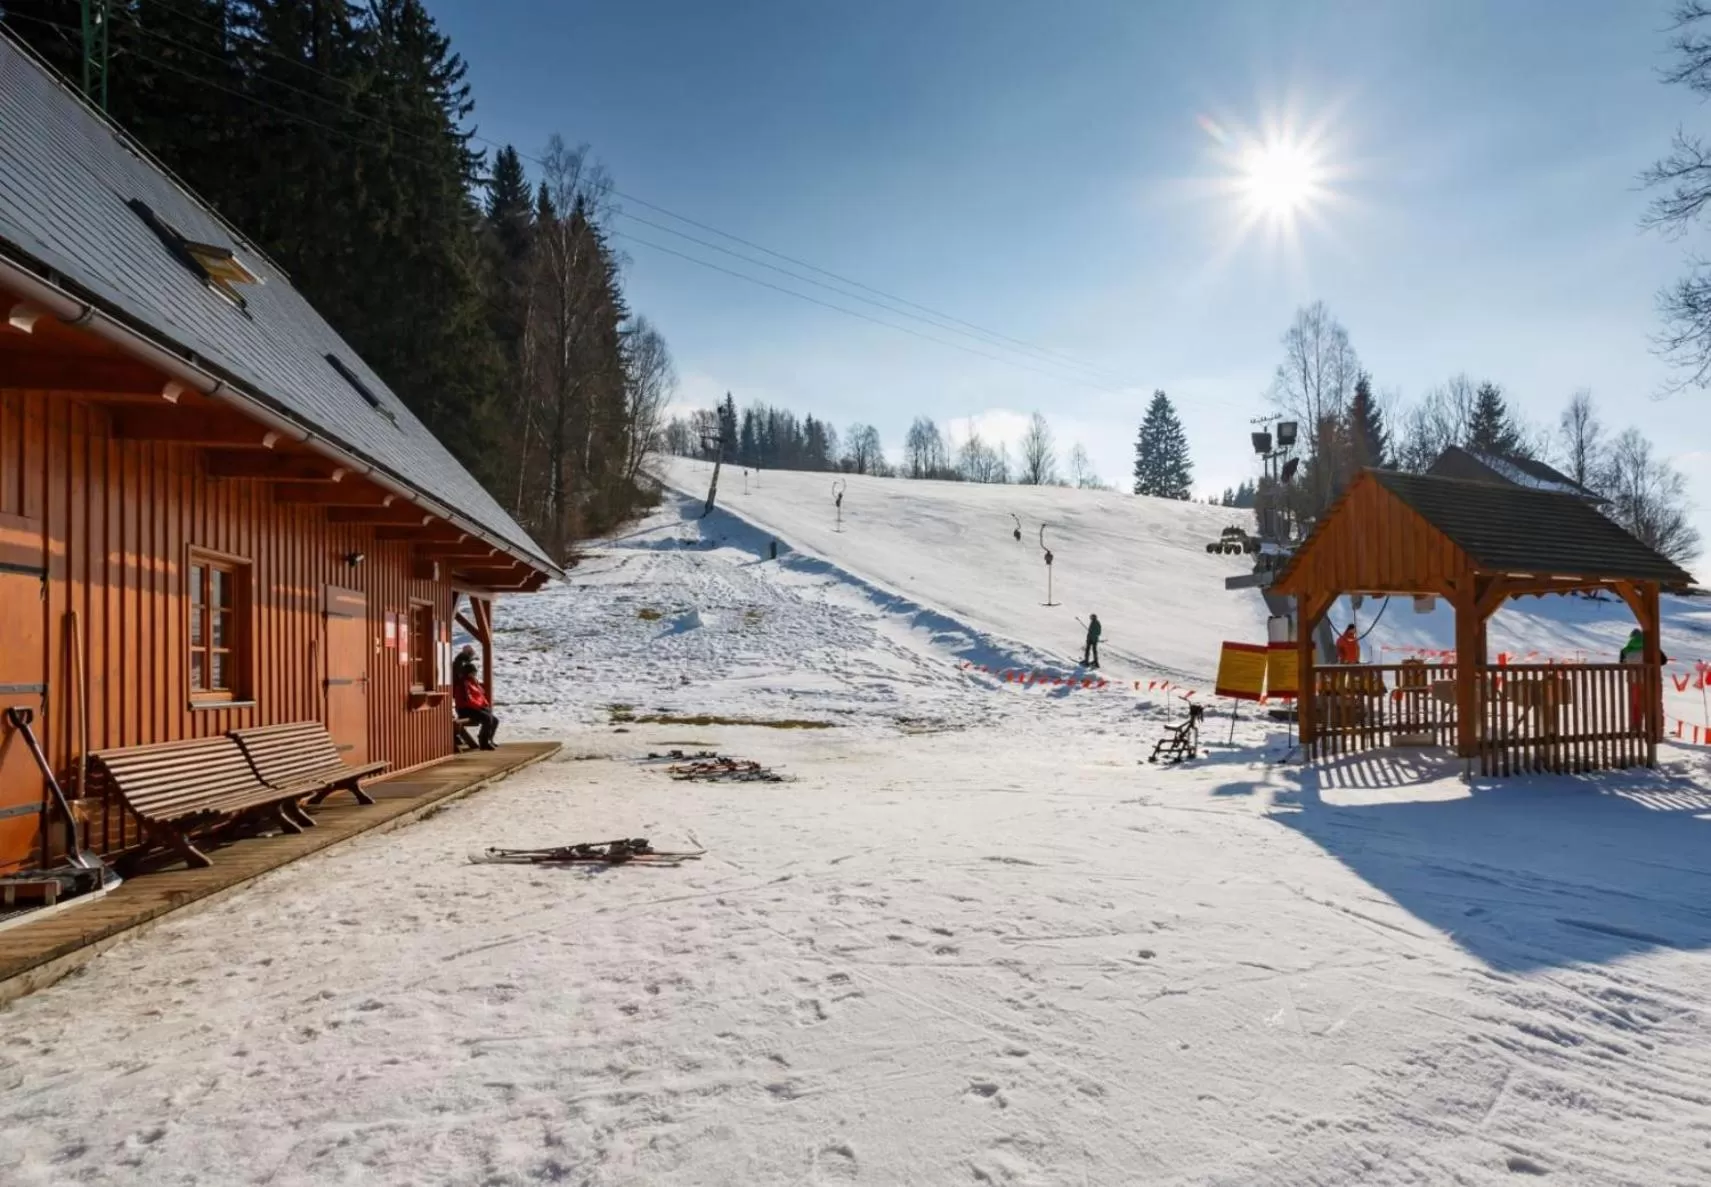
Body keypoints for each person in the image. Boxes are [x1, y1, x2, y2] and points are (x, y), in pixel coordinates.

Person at [452, 644, 498, 750]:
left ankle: (488, 739)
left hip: (473, 708)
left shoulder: (472, 682)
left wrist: (484, 705)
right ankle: (483, 742)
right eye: (473, 673)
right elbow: (468, 700)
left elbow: (480, 696)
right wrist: (480, 707)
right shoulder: (463, 683)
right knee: (487, 718)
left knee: (493, 719)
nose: (475, 674)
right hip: (466, 709)